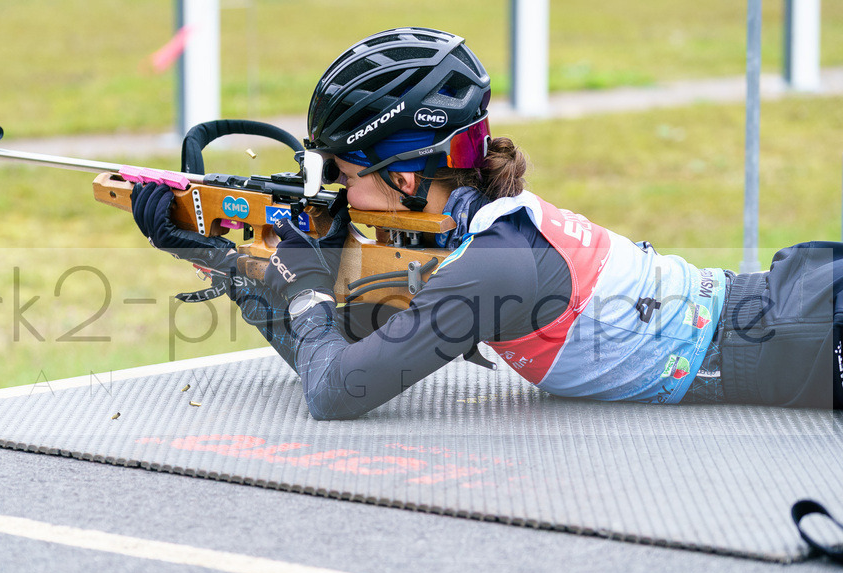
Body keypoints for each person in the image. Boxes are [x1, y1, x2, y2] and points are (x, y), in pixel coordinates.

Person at [131, 27, 843, 419]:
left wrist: (302, 284)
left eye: (348, 177)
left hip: (808, 333)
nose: (342, 199)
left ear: (406, 176)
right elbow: (339, 353)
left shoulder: (495, 266)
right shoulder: (480, 237)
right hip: (792, 315)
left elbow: (335, 390)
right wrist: (227, 260)